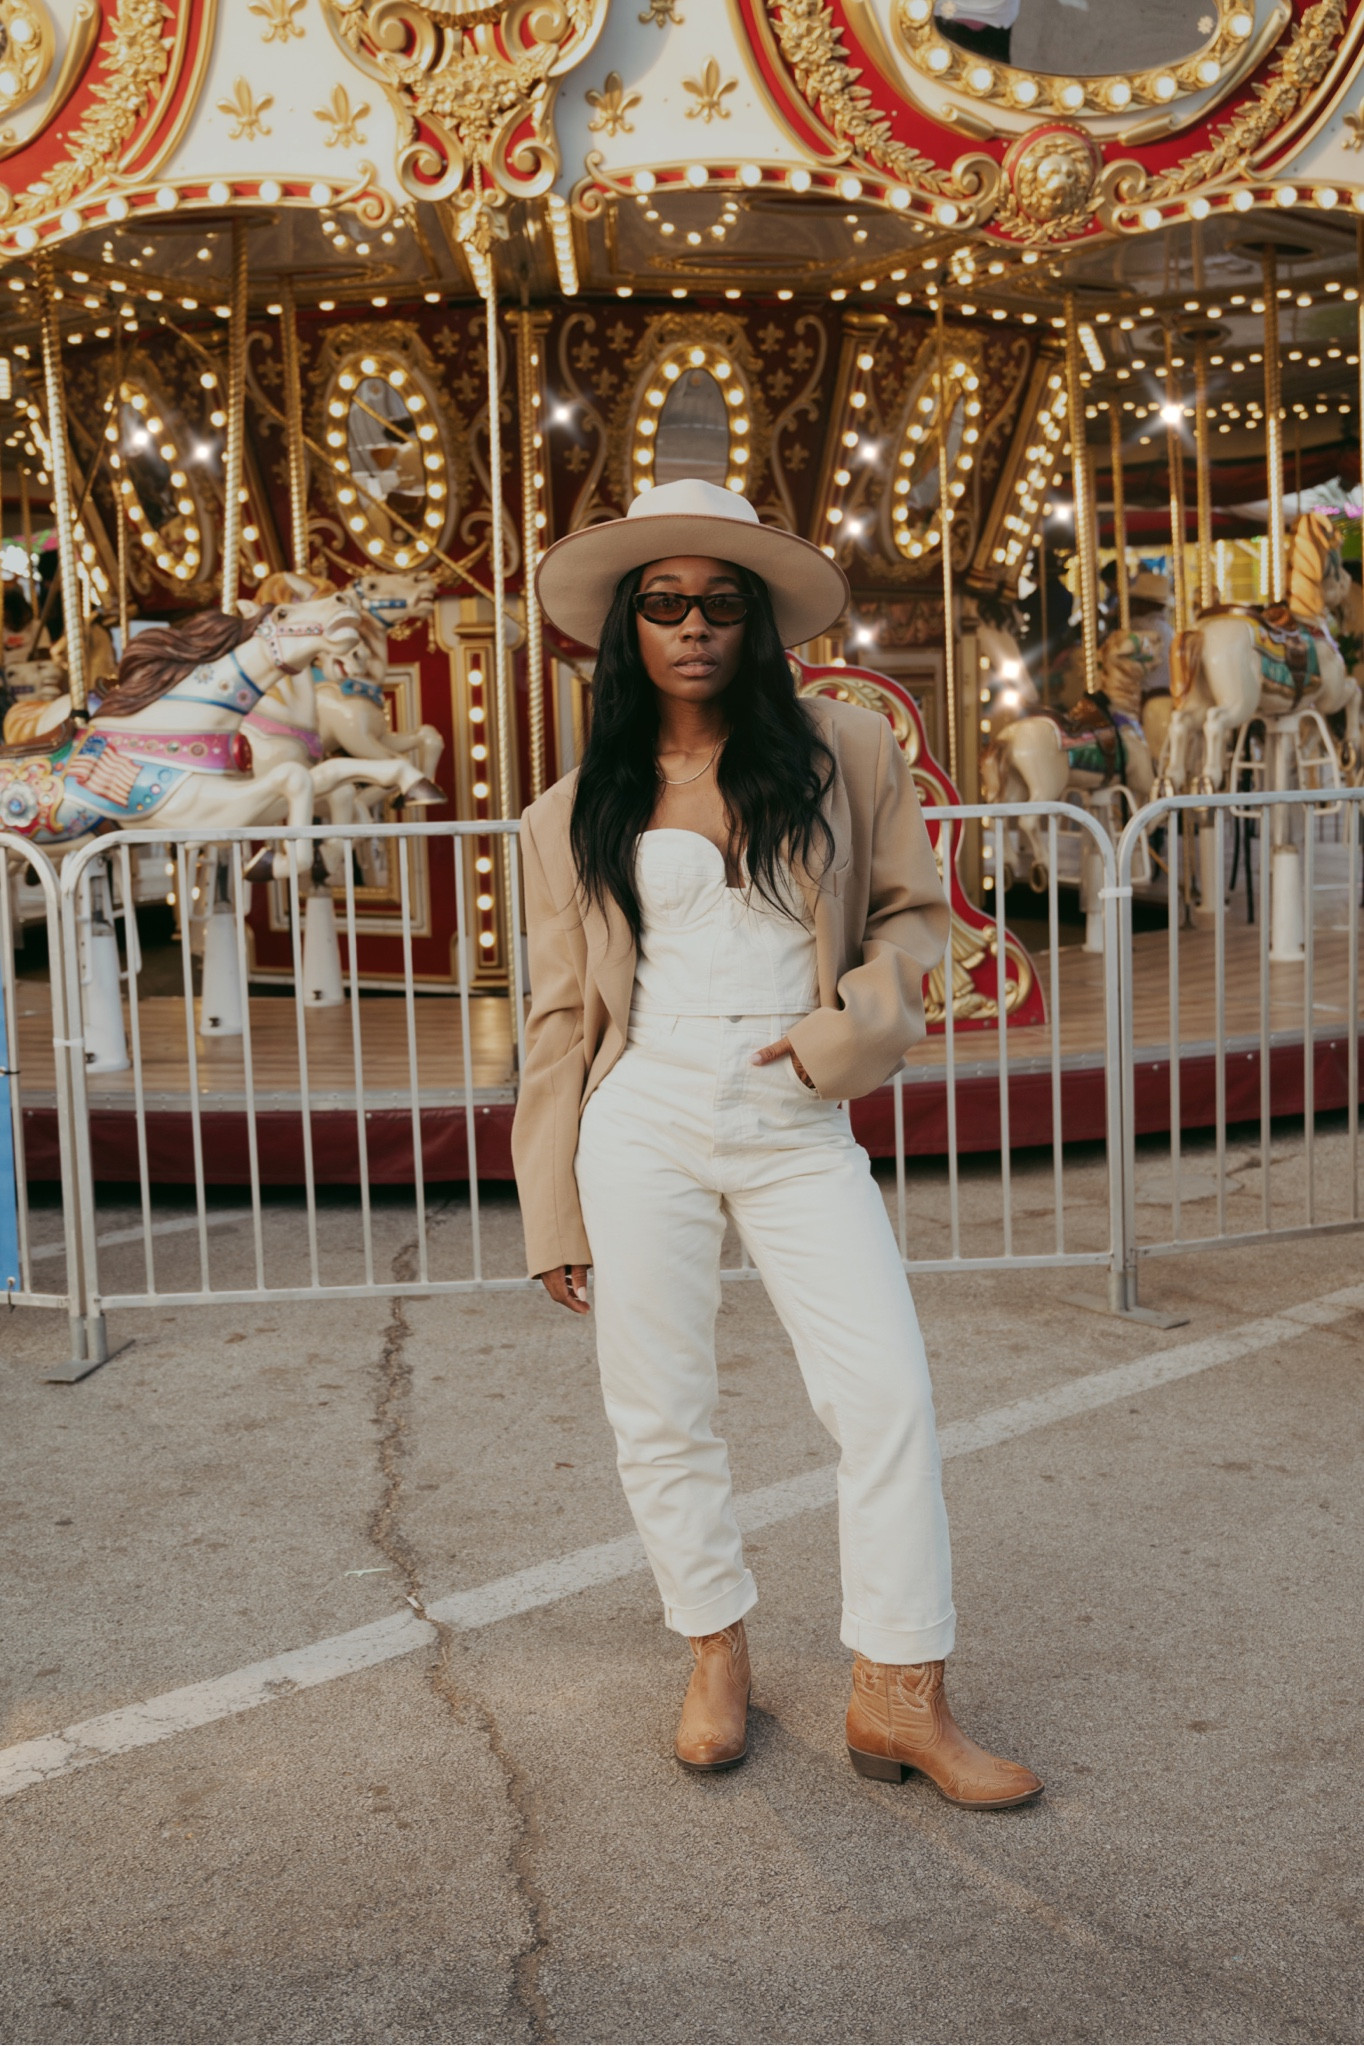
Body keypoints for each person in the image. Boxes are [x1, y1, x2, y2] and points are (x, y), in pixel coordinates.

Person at [511, 477, 1043, 1808]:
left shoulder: (841, 753)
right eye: (668, 604)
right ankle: (715, 1652)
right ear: (630, 627)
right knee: (659, 1406)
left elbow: (916, 918)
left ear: (757, 623)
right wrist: (549, 1204)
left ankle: (899, 1690)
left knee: (886, 1394)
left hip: (799, 1115)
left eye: (722, 604)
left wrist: (843, 1029)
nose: (694, 626)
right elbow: (562, 1018)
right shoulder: (571, 808)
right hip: (643, 1120)